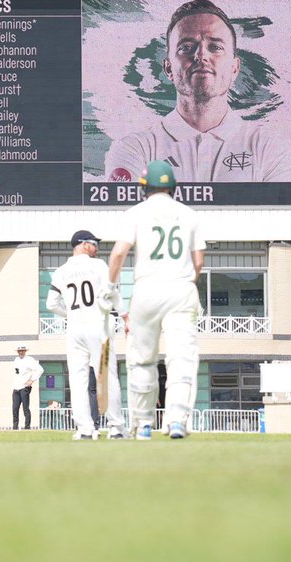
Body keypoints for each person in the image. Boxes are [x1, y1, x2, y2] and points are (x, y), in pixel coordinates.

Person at [103, 0, 291, 183]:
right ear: (168, 68)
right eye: (186, 47)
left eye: (215, 47)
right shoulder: (133, 150)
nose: (201, 55)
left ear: (235, 67)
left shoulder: (275, 153)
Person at [107, 160, 205, 440]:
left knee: (141, 359)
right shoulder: (189, 214)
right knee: (182, 358)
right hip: (181, 289)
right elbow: (198, 260)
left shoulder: (135, 213)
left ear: (143, 188)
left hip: (147, 290)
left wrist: (111, 288)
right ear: (173, 187)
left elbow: (117, 255)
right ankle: (176, 421)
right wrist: (186, 282)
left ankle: (143, 424)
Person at [45, 228, 127, 440]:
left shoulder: (61, 271)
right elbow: (112, 291)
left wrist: (69, 315)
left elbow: (51, 303)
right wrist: (125, 315)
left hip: (74, 329)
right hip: (98, 324)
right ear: (83, 244)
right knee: (107, 377)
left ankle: (85, 430)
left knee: (78, 380)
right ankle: (116, 428)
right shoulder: (98, 265)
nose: (97, 248)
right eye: (94, 243)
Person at [10, 345, 43, 430]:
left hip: (24, 388)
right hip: (16, 388)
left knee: (26, 408)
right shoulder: (16, 360)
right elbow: (17, 374)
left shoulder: (30, 360)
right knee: (15, 408)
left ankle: (27, 427)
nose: (21, 352)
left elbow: (40, 370)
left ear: (25, 351)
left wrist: (31, 380)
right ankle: (15, 427)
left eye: (22, 350)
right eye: (19, 351)